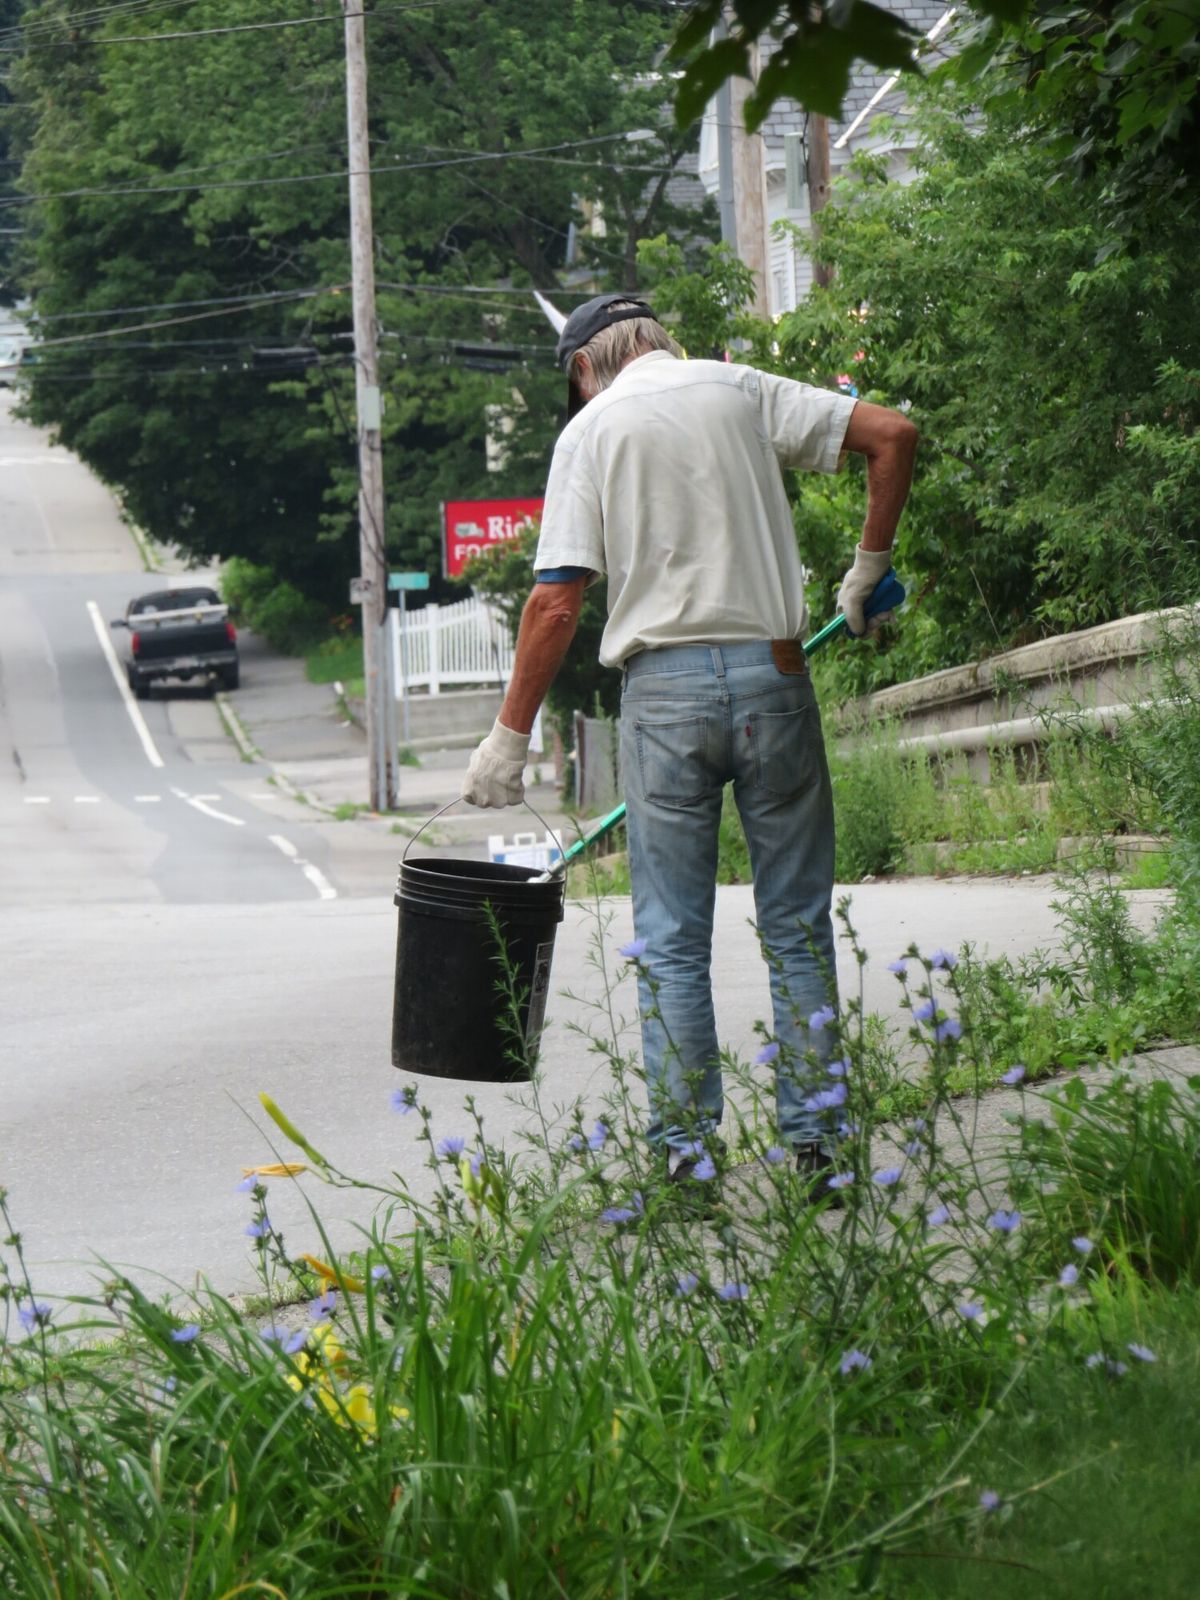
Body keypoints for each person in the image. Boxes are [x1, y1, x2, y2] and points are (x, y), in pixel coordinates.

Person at [462, 293, 917, 1190]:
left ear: (586, 368)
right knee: (794, 923)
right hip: (772, 676)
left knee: (670, 937)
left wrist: (509, 738)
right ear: (659, 342)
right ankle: (819, 1148)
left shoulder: (590, 434)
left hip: (663, 697)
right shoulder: (739, 389)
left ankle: (685, 1159)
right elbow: (893, 435)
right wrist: (867, 567)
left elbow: (558, 599)